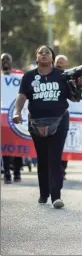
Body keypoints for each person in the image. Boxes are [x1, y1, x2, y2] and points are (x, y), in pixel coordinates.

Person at [12, 45, 82, 209]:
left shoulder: (62, 76)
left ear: (52, 57)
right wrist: (17, 112)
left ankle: (56, 196)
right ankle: (44, 193)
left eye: (47, 53)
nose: (44, 55)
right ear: (36, 58)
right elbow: (22, 96)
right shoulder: (29, 76)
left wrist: (79, 86)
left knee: (54, 157)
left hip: (59, 120)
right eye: (40, 53)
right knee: (42, 159)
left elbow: (75, 98)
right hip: (36, 122)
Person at [1, 53, 23, 184]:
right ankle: (7, 174)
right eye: (2, 59)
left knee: (19, 146)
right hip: (2, 118)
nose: (5, 61)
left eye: (7, 59)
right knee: (5, 147)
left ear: (11, 61)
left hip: (15, 116)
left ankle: (17, 172)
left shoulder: (18, 76)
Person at [54, 54, 69, 180]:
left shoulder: (69, 78)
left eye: (62, 62)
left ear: (66, 65)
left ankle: (62, 170)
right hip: (50, 116)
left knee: (63, 145)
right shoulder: (48, 76)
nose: (59, 64)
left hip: (64, 116)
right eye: (57, 61)